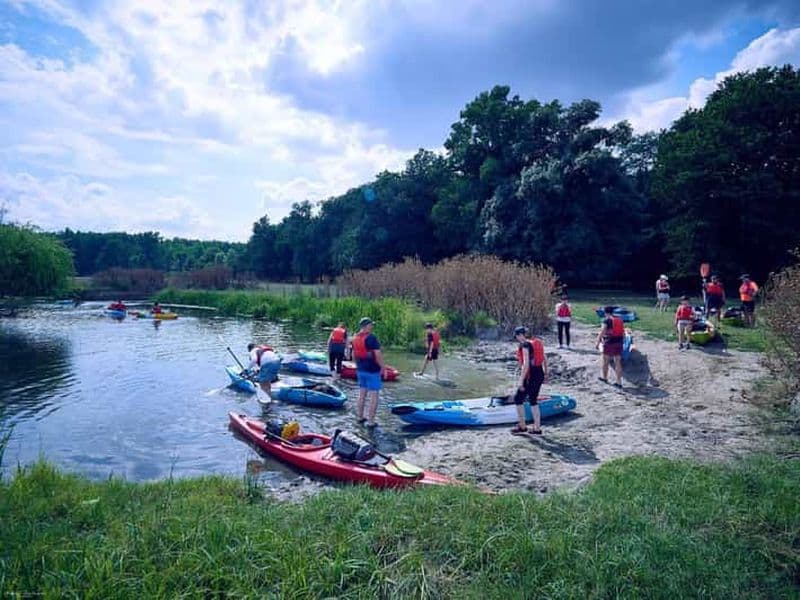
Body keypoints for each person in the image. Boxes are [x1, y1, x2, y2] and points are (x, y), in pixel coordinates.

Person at [510, 326, 547, 435]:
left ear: (520, 335)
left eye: (517, 336)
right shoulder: (537, 342)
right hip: (539, 373)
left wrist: (521, 381)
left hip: (530, 376)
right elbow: (544, 358)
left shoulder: (525, 345)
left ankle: (522, 426)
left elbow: (526, 364)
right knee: (533, 400)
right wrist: (546, 373)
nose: (517, 338)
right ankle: (537, 428)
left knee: (518, 399)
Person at [352, 318, 385, 427]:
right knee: (374, 396)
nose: (372, 327)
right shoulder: (372, 338)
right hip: (372, 371)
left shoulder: (355, 337)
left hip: (361, 370)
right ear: (366, 326)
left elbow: (353, 355)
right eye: (371, 325)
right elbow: (378, 355)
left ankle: (360, 417)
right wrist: (383, 368)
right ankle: (371, 422)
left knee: (362, 395)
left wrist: (357, 366)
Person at [596, 306, 624, 387]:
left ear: (605, 312)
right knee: (617, 362)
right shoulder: (619, 319)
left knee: (605, 361)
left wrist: (598, 342)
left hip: (609, 342)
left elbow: (602, 332)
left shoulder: (606, 320)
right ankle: (619, 382)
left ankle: (605, 378)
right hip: (619, 342)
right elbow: (622, 332)